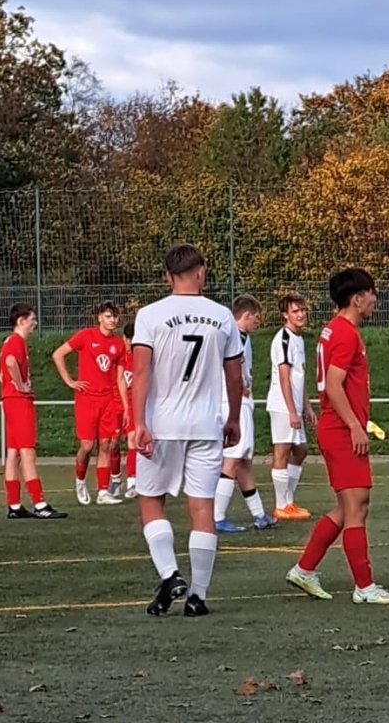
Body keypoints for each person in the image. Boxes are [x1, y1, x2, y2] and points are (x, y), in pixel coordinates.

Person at [133, 244, 243, 618]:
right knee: (202, 507)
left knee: (151, 500)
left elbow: (141, 372)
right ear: (201, 272)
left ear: (168, 276)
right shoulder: (222, 316)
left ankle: (170, 574)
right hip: (206, 424)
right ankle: (197, 596)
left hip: (162, 424)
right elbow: (235, 377)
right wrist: (233, 419)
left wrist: (138, 422)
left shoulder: (150, 315)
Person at [286, 269, 389, 605]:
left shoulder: (334, 330)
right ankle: (364, 587)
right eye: (371, 293)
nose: (375, 300)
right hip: (340, 429)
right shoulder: (345, 333)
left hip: (337, 427)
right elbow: (335, 385)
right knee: (356, 506)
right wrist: (354, 425)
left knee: (349, 506)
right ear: (357, 298)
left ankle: (304, 569)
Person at [52, 301, 129, 506]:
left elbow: (120, 379)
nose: (112, 320)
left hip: (108, 400)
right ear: (99, 318)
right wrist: (70, 381)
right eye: (108, 316)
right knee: (87, 445)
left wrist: (126, 407)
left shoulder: (119, 345)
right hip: (87, 399)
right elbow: (58, 354)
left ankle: (103, 491)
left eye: (115, 316)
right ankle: (80, 480)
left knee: (106, 444)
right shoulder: (86, 336)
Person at [214, 294, 278, 533]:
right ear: (247, 315)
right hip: (235, 402)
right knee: (233, 458)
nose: (257, 322)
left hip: (237, 401)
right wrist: (240, 386)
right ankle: (217, 517)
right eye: (256, 318)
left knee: (243, 462)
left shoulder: (238, 336)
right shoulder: (232, 336)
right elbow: (228, 366)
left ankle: (259, 515)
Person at [0, 303, 67, 520]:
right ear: (21, 321)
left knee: (13, 454)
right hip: (19, 401)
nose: (35, 324)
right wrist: (20, 386)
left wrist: (12, 385)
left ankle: (14, 504)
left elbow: (0, 374)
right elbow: (10, 363)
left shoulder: (8, 342)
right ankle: (39, 504)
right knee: (27, 452)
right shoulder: (16, 341)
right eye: (32, 319)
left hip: (9, 400)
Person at [266, 293, 316, 520]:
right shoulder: (284, 339)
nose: (301, 314)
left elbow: (299, 378)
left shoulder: (299, 339)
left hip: (294, 405)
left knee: (301, 450)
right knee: (283, 450)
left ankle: (288, 501)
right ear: (285, 315)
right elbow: (284, 377)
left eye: (303, 310)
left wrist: (307, 407)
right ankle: (281, 505)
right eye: (295, 311)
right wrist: (292, 411)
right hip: (282, 405)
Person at [119, 320, 138, 498]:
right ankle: (116, 481)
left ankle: (134, 482)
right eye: (129, 339)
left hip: (137, 405)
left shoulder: (143, 357)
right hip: (118, 403)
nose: (131, 342)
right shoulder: (120, 357)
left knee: (134, 440)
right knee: (111, 444)